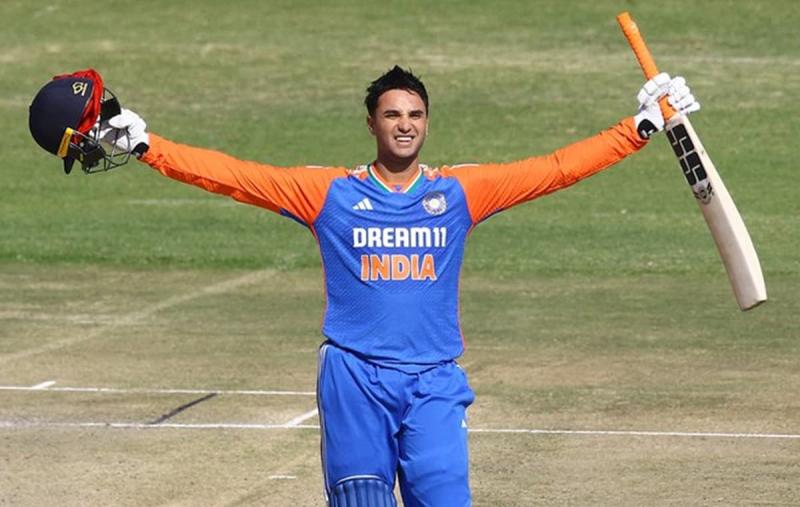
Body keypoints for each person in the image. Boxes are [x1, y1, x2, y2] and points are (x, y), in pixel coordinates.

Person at [28, 65, 699, 506]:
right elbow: (233, 175)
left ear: (426, 122)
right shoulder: (330, 195)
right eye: (392, 114)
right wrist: (150, 147)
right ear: (372, 123)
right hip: (353, 378)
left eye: (415, 114)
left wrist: (639, 126)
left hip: (433, 380)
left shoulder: (459, 193)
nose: (405, 124)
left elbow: (555, 168)